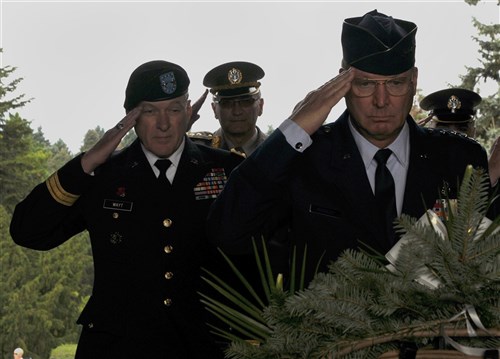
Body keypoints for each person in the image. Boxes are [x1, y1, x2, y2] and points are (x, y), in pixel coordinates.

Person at [206, 10, 493, 286]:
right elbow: (229, 233)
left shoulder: (457, 159)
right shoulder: (305, 158)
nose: (381, 101)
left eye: (395, 83)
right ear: (342, 82)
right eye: (365, 84)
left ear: (413, 81)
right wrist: (292, 130)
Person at [9, 60, 244, 358]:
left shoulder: (228, 170)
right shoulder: (103, 176)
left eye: (173, 109)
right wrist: (86, 163)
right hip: (117, 346)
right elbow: (28, 231)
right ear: (130, 117)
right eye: (149, 111)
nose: (163, 124)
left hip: (202, 344)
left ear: (188, 111)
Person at [419, 88, 499, 187]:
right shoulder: (413, 166)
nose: (453, 136)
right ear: (430, 129)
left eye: (462, 129)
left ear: (473, 132)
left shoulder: (492, 172)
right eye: (443, 129)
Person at [188, 61, 267, 157]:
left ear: (261, 106)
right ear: (214, 109)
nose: (237, 111)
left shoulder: (278, 151)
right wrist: (183, 125)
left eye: (246, 102)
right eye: (226, 103)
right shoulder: (198, 151)